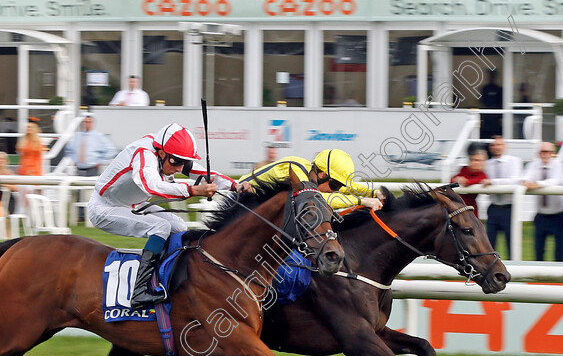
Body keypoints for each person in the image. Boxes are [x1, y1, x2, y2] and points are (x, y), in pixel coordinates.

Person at [88, 123, 235, 308]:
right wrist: (194, 190)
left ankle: (168, 278)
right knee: (160, 227)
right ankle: (139, 292)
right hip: (103, 208)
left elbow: (206, 175)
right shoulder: (143, 153)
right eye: (176, 162)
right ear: (162, 153)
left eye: (183, 163)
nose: (179, 168)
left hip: (135, 205)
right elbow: (152, 186)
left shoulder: (170, 155)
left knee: (179, 227)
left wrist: (236, 185)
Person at [237, 150, 384, 212]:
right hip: (240, 202)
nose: (335, 190)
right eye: (335, 185)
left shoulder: (311, 172)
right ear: (322, 174)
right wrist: (361, 202)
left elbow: (348, 188)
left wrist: (373, 192)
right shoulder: (296, 171)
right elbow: (318, 199)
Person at [522, 142, 563, 262]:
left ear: (552, 153)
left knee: (559, 250)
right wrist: (530, 183)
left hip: (558, 215)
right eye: (543, 151)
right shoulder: (532, 165)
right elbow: (526, 179)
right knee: (538, 249)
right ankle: (539, 275)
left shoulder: (559, 166)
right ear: (539, 153)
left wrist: (537, 184)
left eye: (548, 152)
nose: (545, 154)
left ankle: (559, 275)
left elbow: (555, 180)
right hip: (541, 215)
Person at [483, 135, 522, 256]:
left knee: (511, 243)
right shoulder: (487, 164)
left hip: (509, 209)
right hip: (493, 207)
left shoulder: (514, 161)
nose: (496, 147)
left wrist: (493, 182)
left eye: (499, 144)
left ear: (505, 146)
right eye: (493, 145)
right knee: (489, 244)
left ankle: (512, 269)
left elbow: (514, 180)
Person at [451, 149, 489, 217]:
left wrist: (465, 181)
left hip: (470, 208)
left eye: (479, 160)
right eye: (473, 160)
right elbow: (452, 180)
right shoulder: (464, 169)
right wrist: (457, 180)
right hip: (455, 207)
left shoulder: (483, 175)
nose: (475, 162)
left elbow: (470, 182)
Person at [479, 68, 503, 139]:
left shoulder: (499, 89)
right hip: (487, 117)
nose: (490, 77)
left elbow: (501, 103)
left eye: (492, 75)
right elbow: (482, 102)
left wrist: (500, 117)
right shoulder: (485, 89)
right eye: (489, 75)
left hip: (496, 118)